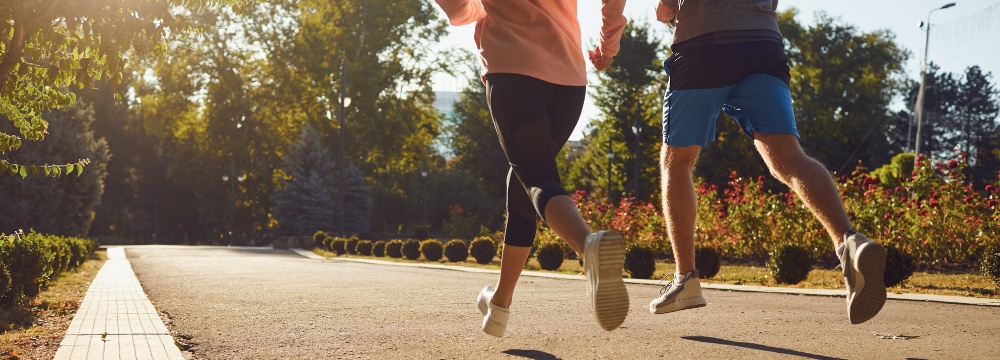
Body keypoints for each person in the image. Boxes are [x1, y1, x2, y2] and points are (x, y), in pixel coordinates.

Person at [649, 0, 887, 325]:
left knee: (677, 162)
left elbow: (666, 7)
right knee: (788, 158)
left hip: (704, 44)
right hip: (763, 43)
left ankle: (685, 278)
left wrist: (666, 12)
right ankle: (849, 241)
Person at [433, 0, 630, 337]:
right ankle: (500, 303)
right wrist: (609, 46)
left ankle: (588, 246)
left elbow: (458, 10)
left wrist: (482, 12)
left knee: (538, 178)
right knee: (524, 180)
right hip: (569, 79)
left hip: (514, 69)